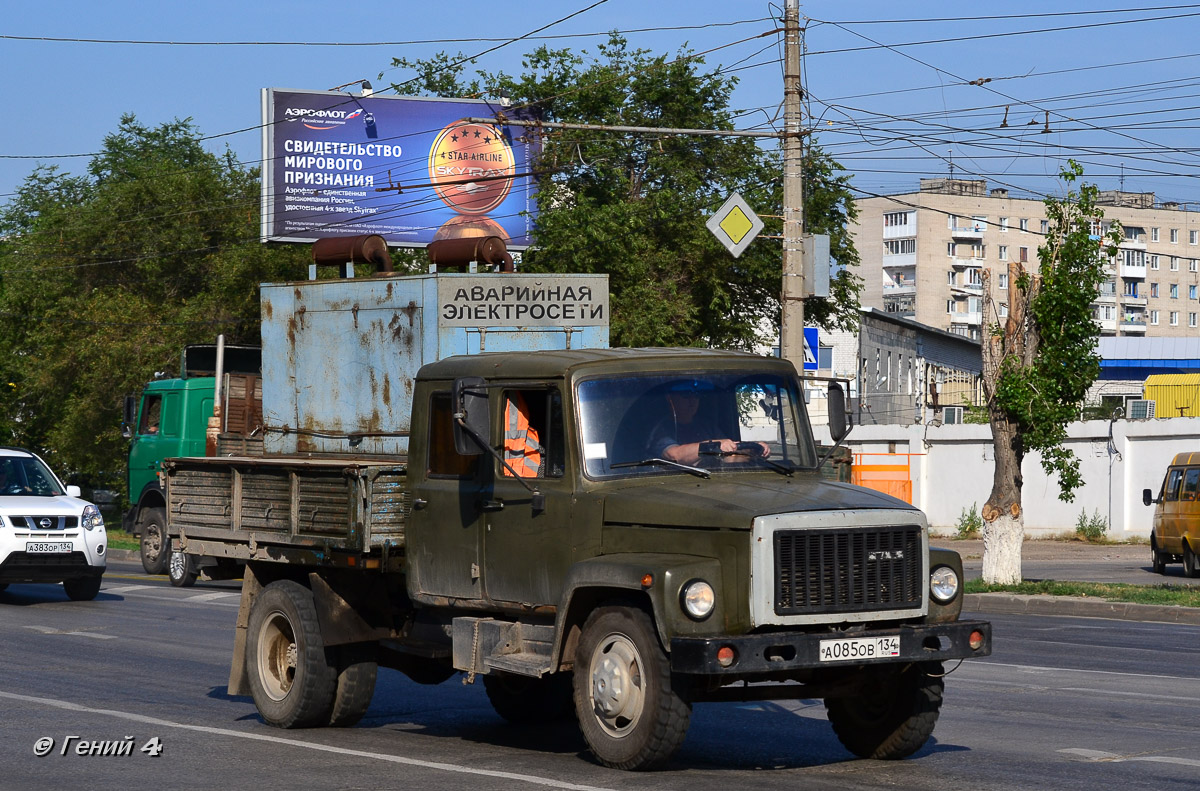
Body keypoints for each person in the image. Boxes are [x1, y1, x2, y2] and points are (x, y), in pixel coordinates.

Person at [647, 381, 769, 466]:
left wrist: (752, 449)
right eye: (686, 395)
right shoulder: (661, 429)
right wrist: (712, 445)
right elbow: (674, 455)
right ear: (670, 399)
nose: (692, 400)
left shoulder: (707, 426)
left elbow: (728, 454)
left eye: (696, 395)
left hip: (712, 482)